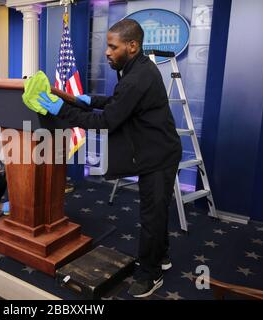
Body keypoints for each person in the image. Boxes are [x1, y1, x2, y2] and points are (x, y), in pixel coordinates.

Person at [36, 19, 182, 298]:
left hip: (159, 155)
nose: (107, 52)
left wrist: (61, 110)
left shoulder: (138, 77)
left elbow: (107, 122)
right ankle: (161, 256)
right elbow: (118, 101)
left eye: (112, 47)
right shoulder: (132, 68)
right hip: (153, 150)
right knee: (157, 209)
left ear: (132, 46)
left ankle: (151, 275)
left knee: (152, 214)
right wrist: (87, 99)